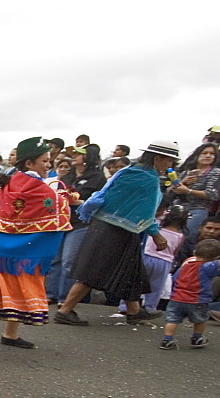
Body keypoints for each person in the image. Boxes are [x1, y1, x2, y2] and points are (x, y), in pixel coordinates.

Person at [0, 137, 72, 355]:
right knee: (4, 296)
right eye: (44, 160)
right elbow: (56, 207)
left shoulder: (14, 181)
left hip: (5, 249)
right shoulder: (34, 186)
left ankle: (10, 334)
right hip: (17, 253)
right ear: (29, 163)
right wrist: (68, 199)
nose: (48, 164)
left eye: (49, 160)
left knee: (14, 292)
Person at [55, 140, 178, 326]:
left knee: (130, 270)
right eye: (168, 161)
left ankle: (134, 311)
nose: (170, 166)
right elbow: (146, 210)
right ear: (158, 158)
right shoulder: (147, 179)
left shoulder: (130, 171)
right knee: (93, 271)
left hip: (106, 226)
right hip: (117, 230)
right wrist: (156, 234)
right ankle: (65, 310)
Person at [46, 144, 107, 304]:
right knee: (56, 259)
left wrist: (76, 201)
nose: (74, 156)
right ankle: (50, 294)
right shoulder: (68, 175)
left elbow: (99, 202)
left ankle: (64, 298)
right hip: (61, 222)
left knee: (69, 260)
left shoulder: (97, 177)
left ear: (88, 157)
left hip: (81, 223)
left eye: (78, 154)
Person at [160, 238, 220, 349]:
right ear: (216, 256)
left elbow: (175, 278)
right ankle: (197, 338)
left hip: (177, 298)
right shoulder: (207, 267)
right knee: (200, 320)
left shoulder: (187, 262)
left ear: (195, 251)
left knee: (173, 320)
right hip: (197, 300)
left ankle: (167, 339)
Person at [168, 142, 220, 238]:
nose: (208, 156)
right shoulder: (187, 171)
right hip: (176, 209)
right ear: (197, 155)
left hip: (197, 210)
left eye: (212, 154)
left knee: (187, 238)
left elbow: (212, 195)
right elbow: (170, 192)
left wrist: (188, 191)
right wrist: (183, 182)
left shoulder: (216, 172)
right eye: (204, 153)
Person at [142, 204, 186, 310]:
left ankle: (125, 307)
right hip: (164, 262)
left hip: (147, 257)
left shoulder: (157, 227)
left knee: (136, 282)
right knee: (156, 288)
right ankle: (150, 308)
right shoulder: (180, 236)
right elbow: (175, 252)